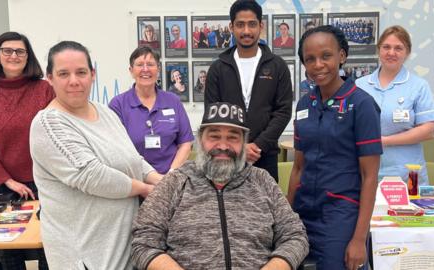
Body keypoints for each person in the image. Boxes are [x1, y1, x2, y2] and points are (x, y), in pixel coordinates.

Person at [29, 41, 162, 269]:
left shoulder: (105, 112)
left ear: (92, 74)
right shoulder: (48, 123)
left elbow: (132, 158)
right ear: (50, 78)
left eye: (81, 72)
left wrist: (162, 181)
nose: (74, 81)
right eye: (63, 73)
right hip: (86, 256)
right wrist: (148, 190)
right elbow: (92, 176)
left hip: (122, 247)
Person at [131, 102, 309, 270]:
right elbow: (143, 243)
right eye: (214, 136)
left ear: (243, 142)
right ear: (200, 140)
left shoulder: (262, 181)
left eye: (233, 137)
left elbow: (295, 236)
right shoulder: (174, 183)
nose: (223, 146)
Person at [287, 25, 382, 270]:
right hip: (303, 210)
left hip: (340, 213)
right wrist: (286, 215)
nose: (318, 64)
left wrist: (360, 239)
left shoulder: (362, 105)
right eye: (310, 59)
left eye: (326, 56)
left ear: (342, 56)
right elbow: (298, 167)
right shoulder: (304, 104)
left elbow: (369, 176)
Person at [0, 31, 53, 270]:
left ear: (28, 57)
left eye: (20, 51)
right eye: (7, 50)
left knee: (46, 243)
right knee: (7, 249)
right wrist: (7, 180)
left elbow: (55, 134)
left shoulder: (44, 90)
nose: (14, 55)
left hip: (40, 179)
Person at [205, 0, 293, 182]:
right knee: (228, 210)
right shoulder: (218, 68)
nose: (246, 31)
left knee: (264, 209)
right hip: (226, 157)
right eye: (240, 25)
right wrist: (238, 147)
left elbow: (283, 112)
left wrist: (257, 145)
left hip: (265, 155)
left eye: (252, 24)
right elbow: (212, 114)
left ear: (261, 26)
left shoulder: (277, 66)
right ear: (231, 27)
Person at [356, 25, 434, 185]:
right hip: (365, 172)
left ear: (407, 52)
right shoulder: (360, 85)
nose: (391, 53)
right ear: (378, 49)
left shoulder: (418, 86)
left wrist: (384, 141)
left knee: (406, 210)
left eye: (398, 48)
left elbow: (428, 131)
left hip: (405, 172)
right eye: (386, 47)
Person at [109, 46, 194, 174]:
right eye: (139, 65)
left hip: (171, 180)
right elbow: (117, 150)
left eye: (150, 64)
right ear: (131, 71)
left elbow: (185, 144)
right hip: (135, 181)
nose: (145, 69)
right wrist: (149, 178)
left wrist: (170, 176)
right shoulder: (118, 104)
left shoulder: (173, 101)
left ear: (158, 70)